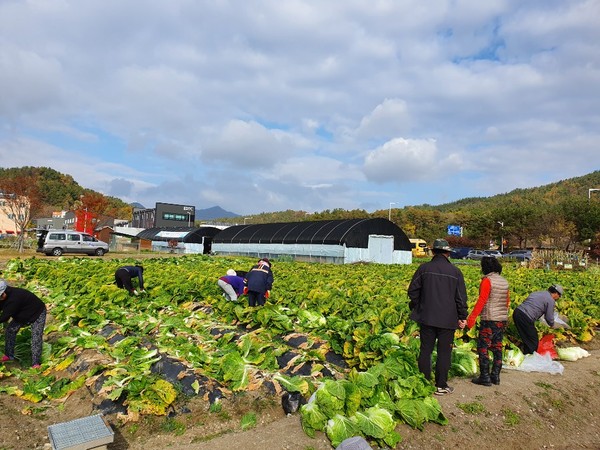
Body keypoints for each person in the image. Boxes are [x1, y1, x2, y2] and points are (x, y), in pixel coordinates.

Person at [407, 238, 468, 395]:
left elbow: (412, 291)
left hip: (426, 317)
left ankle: (424, 384)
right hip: (448, 319)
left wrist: (419, 305)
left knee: (425, 350)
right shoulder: (455, 272)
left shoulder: (424, 268)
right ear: (448, 253)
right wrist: (462, 316)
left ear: (433, 252)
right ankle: (441, 385)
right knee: (444, 352)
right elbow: (460, 298)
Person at [467, 256, 510, 386]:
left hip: (489, 318)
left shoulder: (487, 280)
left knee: (483, 347)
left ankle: (484, 376)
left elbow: (482, 300)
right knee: (497, 347)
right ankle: (495, 376)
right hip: (501, 319)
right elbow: (507, 302)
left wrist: (472, 318)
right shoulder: (504, 282)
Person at [0, 279, 47, 368]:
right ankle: (9, 355)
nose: (0, 297)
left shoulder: (14, 299)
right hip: (21, 314)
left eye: (1, 295)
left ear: (5, 290)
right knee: (10, 331)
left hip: (37, 313)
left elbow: (4, 317)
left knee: (36, 337)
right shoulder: (3, 297)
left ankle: (36, 363)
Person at [513, 284, 564, 355]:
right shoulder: (550, 300)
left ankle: (525, 355)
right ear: (556, 293)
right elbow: (549, 317)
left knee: (526, 337)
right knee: (533, 340)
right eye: (559, 296)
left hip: (517, 312)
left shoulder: (538, 293)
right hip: (525, 317)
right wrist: (552, 325)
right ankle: (529, 358)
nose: (558, 298)